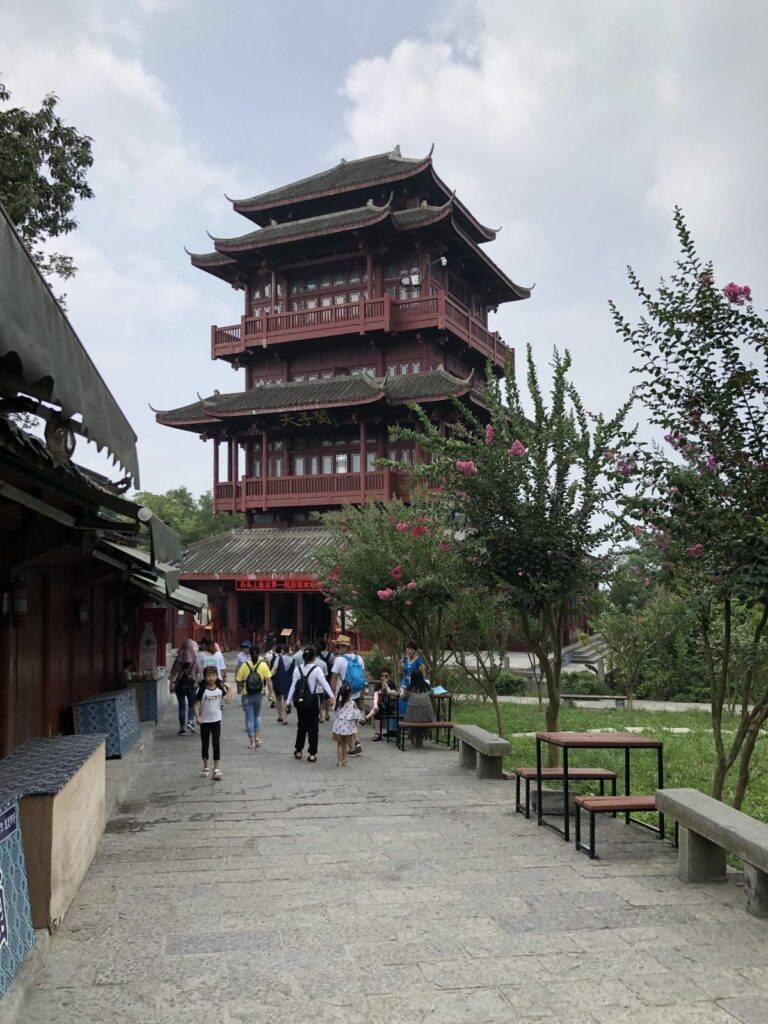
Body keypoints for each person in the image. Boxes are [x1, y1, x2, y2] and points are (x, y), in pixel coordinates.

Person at [286, 645, 335, 762]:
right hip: (313, 701)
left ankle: (298, 750)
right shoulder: (317, 669)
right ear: (314, 657)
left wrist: (288, 701)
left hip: (301, 702)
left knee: (301, 726)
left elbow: (293, 686)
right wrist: (332, 696)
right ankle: (312, 753)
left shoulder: (298, 670)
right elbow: (324, 683)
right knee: (313, 728)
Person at [331, 634, 366, 756]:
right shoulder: (359, 659)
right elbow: (363, 678)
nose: (337, 648)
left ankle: (351, 747)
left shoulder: (339, 660)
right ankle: (356, 742)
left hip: (343, 696)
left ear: (344, 647)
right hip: (355, 694)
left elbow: (334, 679)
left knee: (343, 720)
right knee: (353, 720)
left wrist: (332, 696)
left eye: (338, 646)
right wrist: (362, 695)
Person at [194, 665, 229, 779]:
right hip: (205, 721)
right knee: (205, 743)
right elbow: (197, 704)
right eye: (208, 675)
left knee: (216, 743)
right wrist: (198, 716)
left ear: (216, 676)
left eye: (213, 675)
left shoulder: (219, 688)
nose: (211, 678)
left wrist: (230, 689)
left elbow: (228, 701)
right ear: (204, 677)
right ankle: (205, 767)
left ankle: (216, 768)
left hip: (216, 720)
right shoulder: (202, 689)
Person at [235, 644, 272, 749]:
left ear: (249, 654)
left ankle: (252, 742)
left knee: (249, 718)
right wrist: (271, 693)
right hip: (259, 694)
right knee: (257, 715)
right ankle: (258, 738)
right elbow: (269, 680)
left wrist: (239, 688)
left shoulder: (245, 665)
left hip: (247, 694)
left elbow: (238, 679)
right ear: (259, 653)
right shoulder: (263, 665)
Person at [169, 639, 200, 735]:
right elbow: (198, 673)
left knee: (182, 706)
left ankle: (182, 728)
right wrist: (197, 683)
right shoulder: (195, 659)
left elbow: (173, 674)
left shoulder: (178, 660)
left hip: (180, 685)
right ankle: (190, 721)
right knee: (191, 705)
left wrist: (171, 685)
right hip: (192, 685)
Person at [400, 668, 435, 747]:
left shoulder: (410, 689)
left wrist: (402, 690)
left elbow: (402, 698)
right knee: (426, 717)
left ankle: (414, 735)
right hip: (427, 718)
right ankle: (419, 738)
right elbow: (432, 694)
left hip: (411, 718)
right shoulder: (427, 688)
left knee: (414, 717)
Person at [332, 683, 361, 767]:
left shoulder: (338, 703)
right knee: (345, 744)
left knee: (339, 744)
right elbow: (356, 715)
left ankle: (339, 761)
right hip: (348, 727)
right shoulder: (352, 703)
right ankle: (344, 760)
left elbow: (334, 710)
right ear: (350, 694)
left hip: (338, 727)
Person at [364, 669, 397, 741]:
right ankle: (377, 733)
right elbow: (376, 696)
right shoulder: (378, 685)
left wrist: (386, 686)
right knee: (377, 708)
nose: (383, 677)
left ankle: (367, 718)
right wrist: (375, 705)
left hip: (390, 706)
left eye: (386, 676)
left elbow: (393, 694)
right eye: (382, 675)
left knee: (378, 707)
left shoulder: (391, 684)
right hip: (380, 706)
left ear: (389, 677)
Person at [400, 641, 425, 716]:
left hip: (414, 683)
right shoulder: (404, 659)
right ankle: (402, 719)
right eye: (408, 649)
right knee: (402, 696)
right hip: (405, 681)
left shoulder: (418, 660)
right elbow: (402, 672)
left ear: (415, 651)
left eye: (411, 649)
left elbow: (423, 674)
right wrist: (401, 666)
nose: (409, 651)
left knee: (411, 698)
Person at [272, 644, 294, 724]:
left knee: (278, 699)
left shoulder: (279, 658)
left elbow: (274, 668)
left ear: (283, 650)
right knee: (286, 700)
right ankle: (285, 719)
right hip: (289, 682)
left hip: (279, 681)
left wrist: (269, 676)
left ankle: (280, 716)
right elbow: (295, 672)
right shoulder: (293, 660)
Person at [317, 640, 334, 723]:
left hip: (319, 677)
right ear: (326, 646)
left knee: (320, 696)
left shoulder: (318, 656)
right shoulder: (331, 655)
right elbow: (333, 666)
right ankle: (327, 713)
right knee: (326, 696)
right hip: (329, 676)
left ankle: (320, 714)